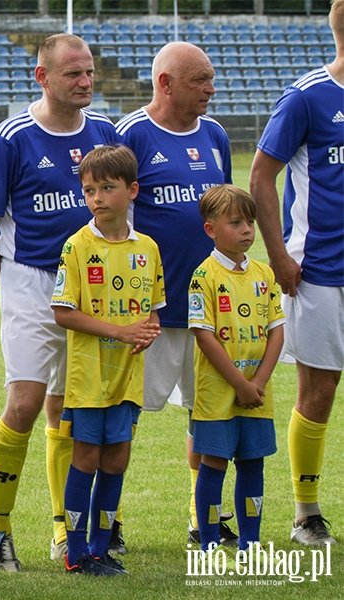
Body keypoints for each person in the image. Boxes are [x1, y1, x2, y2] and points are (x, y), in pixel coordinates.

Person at [0, 33, 120, 569]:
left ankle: (63, 528)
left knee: (69, 412)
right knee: (26, 404)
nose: (85, 82)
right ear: (43, 77)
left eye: (89, 72)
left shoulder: (105, 133)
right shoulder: (12, 137)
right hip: (31, 284)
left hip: (91, 289)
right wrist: (12, 282)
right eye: (73, 73)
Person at [116, 41, 234, 546]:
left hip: (208, 307)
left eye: (210, 79)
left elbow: (225, 215)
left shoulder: (215, 135)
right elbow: (105, 219)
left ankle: (204, 517)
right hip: (150, 312)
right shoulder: (130, 135)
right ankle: (109, 518)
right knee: (123, 416)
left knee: (209, 416)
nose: (211, 89)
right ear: (165, 83)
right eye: (200, 80)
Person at [249, 0, 344, 547]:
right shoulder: (308, 96)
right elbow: (263, 176)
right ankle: (306, 512)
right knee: (320, 390)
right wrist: (280, 255)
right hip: (321, 271)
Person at [51, 144, 164, 575]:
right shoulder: (77, 246)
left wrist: (148, 330)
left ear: (132, 190)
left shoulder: (147, 248)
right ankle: (76, 554)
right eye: (88, 190)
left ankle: (101, 548)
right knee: (86, 459)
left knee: (117, 458)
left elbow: (154, 307)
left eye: (107, 188)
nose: (96, 198)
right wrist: (120, 331)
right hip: (89, 377)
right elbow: (63, 311)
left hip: (127, 377)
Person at [188, 185, 285, 553]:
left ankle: (250, 543)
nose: (246, 229)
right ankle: (209, 543)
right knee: (214, 462)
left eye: (250, 222)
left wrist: (257, 382)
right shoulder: (204, 276)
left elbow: (277, 331)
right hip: (217, 395)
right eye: (235, 223)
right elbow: (204, 336)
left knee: (252, 461)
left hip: (257, 392)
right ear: (211, 229)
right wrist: (239, 384)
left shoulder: (264, 273)